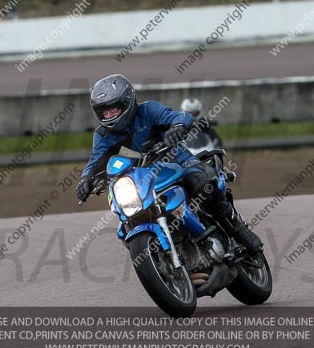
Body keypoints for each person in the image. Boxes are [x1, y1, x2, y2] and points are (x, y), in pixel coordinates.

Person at [75, 74, 262, 252]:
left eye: (113, 108)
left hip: (177, 161)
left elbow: (179, 116)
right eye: (104, 111)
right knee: (126, 223)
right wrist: (86, 180)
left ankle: (239, 231)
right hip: (142, 179)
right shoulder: (103, 135)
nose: (109, 114)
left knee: (201, 184)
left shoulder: (148, 110)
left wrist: (178, 127)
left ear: (127, 102)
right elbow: (95, 160)